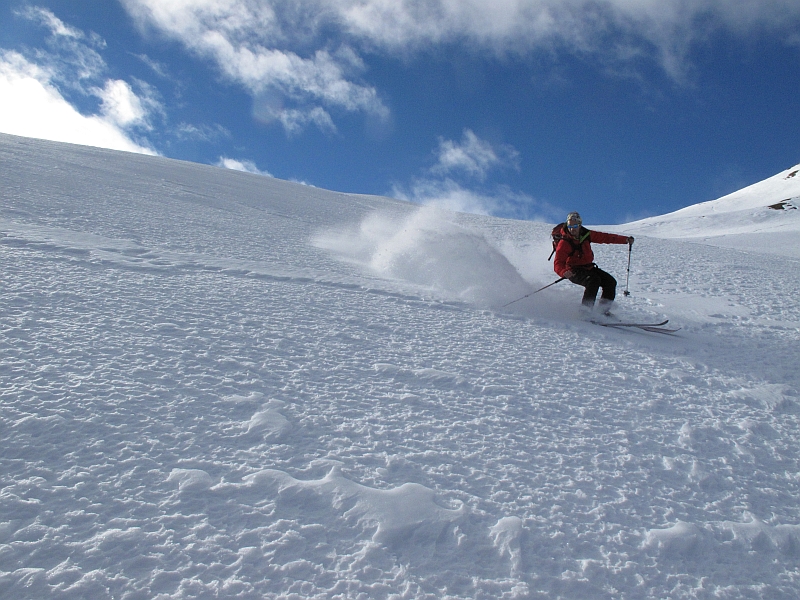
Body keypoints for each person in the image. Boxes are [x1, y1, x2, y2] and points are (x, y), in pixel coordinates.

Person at [553, 212, 633, 313]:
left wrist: (625, 240)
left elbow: (605, 237)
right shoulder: (564, 242)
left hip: (588, 268)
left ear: (580, 225)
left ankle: (603, 312)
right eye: (570, 226)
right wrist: (563, 271)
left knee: (610, 282)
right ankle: (585, 312)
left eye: (575, 225)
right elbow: (558, 263)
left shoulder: (586, 234)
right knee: (593, 281)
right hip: (573, 270)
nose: (572, 229)